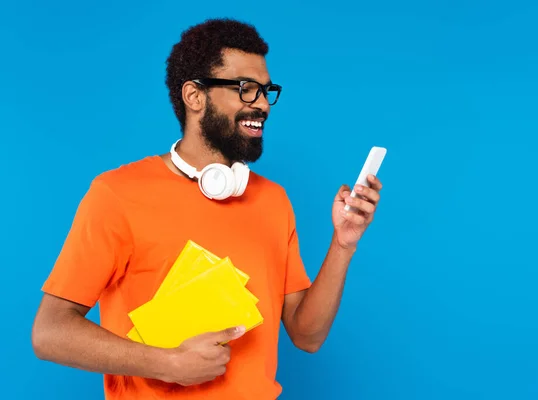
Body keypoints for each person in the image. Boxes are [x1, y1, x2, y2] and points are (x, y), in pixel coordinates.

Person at [31, 18, 383, 400]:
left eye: (266, 91)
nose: (262, 104)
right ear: (194, 96)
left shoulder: (273, 200)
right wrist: (165, 363)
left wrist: (343, 244)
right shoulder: (117, 194)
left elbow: (306, 335)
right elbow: (49, 332)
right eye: (246, 89)